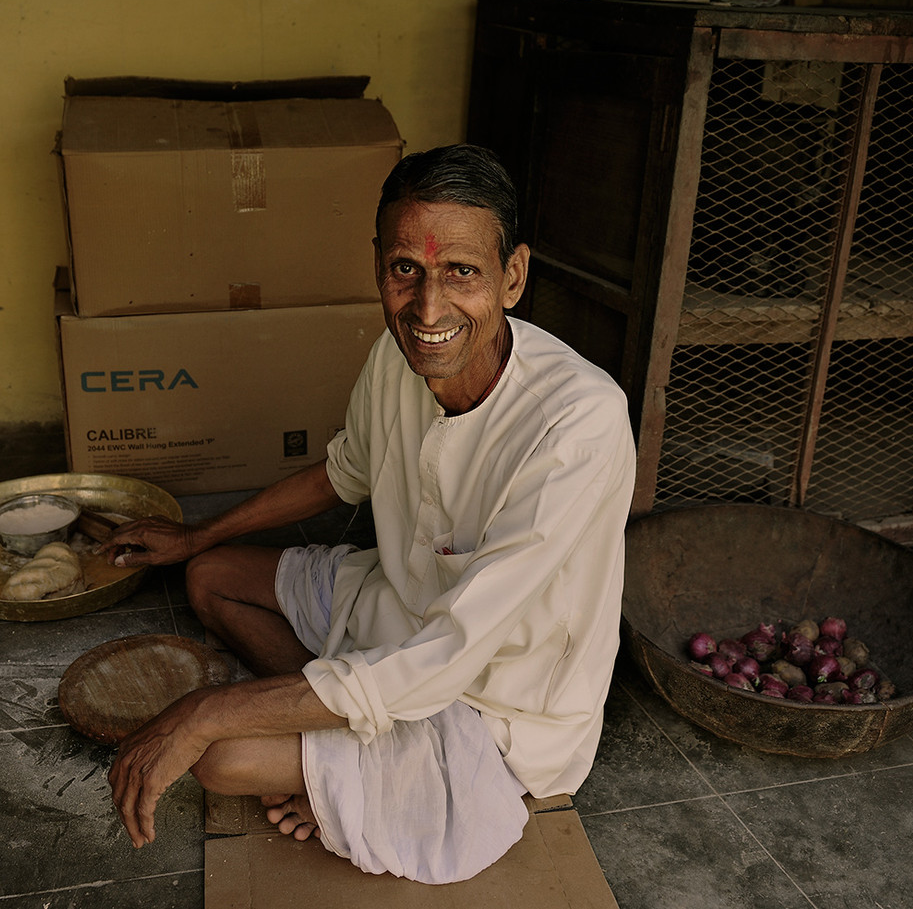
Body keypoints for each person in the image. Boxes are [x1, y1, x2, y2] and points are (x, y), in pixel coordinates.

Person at [98, 143, 637, 884]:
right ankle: (345, 739)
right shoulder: (400, 354)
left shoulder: (578, 423)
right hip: (397, 612)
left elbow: (451, 652)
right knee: (211, 577)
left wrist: (206, 712)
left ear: (512, 277)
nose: (428, 308)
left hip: (493, 704)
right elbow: (344, 470)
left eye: (462, 272)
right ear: (378, 266)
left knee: (221, 756)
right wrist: (197, 535)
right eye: (405, 270)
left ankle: (345, 747)